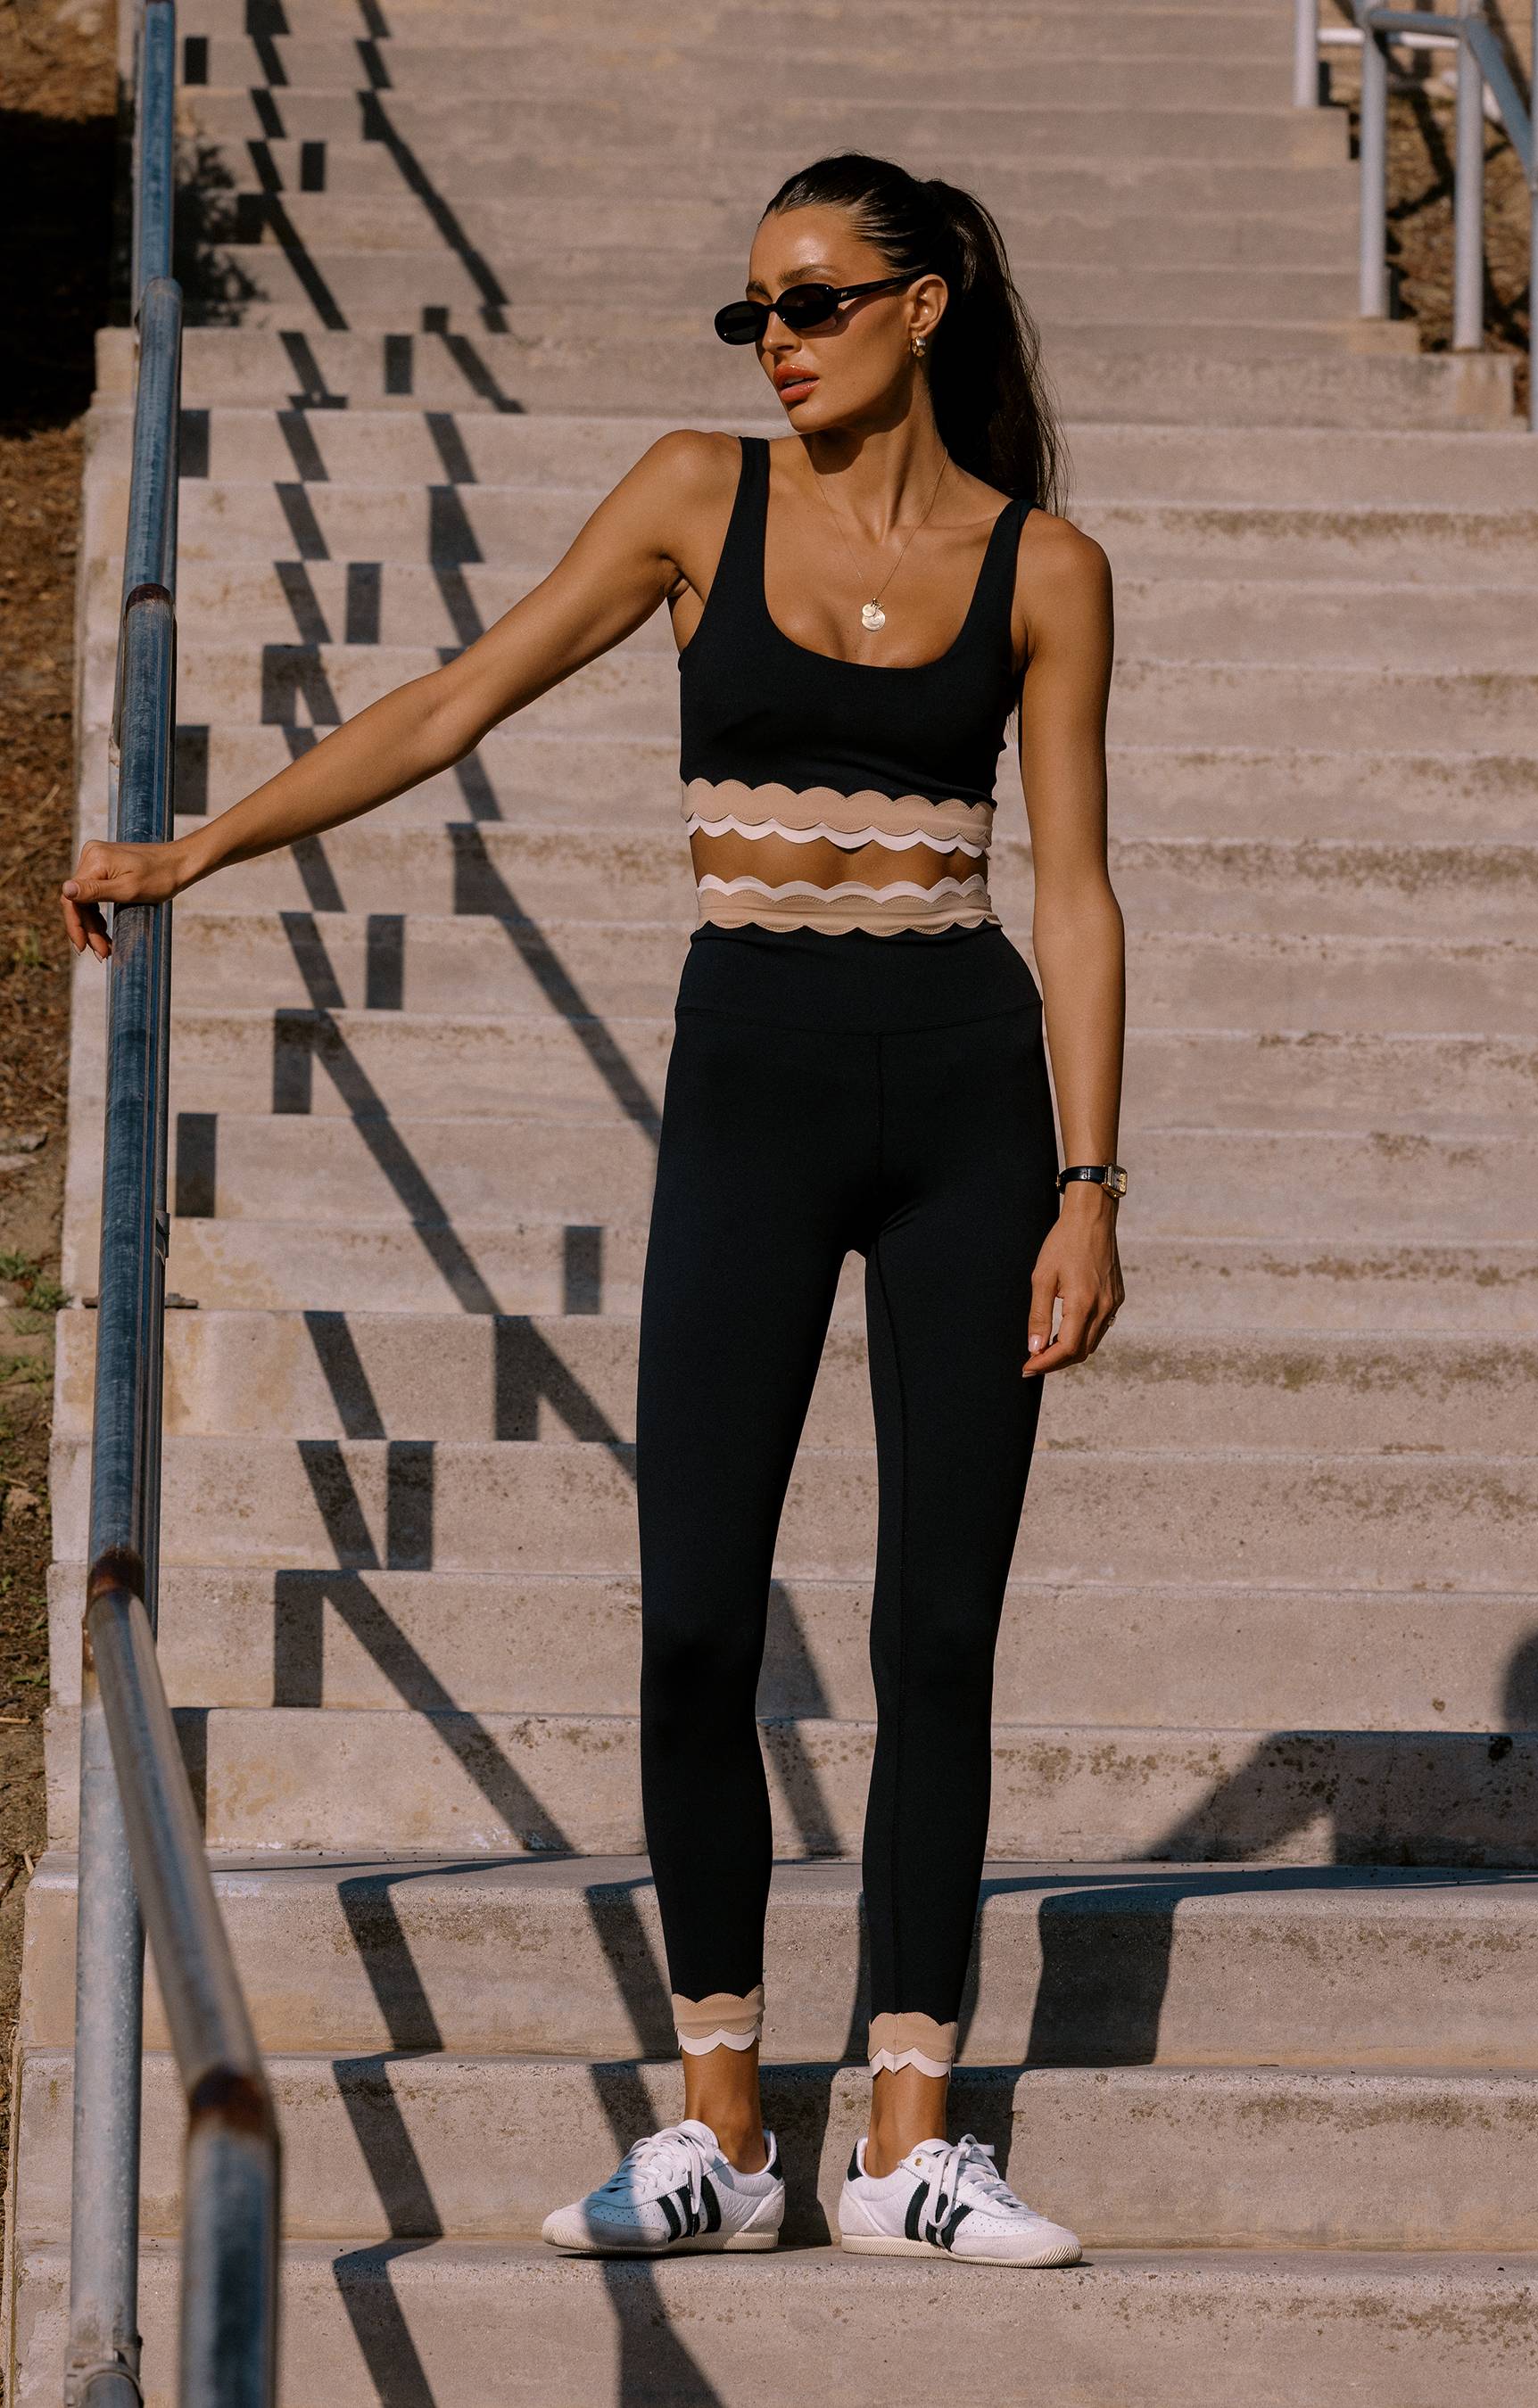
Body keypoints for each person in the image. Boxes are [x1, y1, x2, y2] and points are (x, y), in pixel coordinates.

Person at [62, 150, 1122, 2271]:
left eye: (813, 301)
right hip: (752, 1069)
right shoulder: (688, 499)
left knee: (937, 1625)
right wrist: (201, 852)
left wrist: (1091, 1184)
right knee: (702, 1613)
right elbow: (457, 699)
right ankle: (720, 2116)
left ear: (923, 306)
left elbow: (1078, 892)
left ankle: (911, 2121)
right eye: (752, 313)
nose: (776, 342)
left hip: (971, 1089)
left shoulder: (1047, 565)